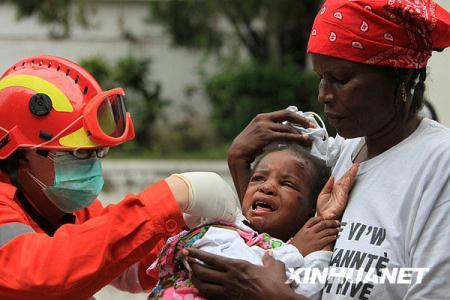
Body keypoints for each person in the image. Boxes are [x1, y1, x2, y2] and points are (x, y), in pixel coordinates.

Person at [184, 1, 450, 299]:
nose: (323, 95)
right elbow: (281, 243)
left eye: (340, 79)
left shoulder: (439, 165)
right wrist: (240, 161)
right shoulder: (342, 153)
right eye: (321, 78)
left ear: (402, 78)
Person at [0, 55, 241, 300]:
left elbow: (127, 267)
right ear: (22, 155)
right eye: (78, 153)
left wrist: (181, 229)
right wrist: (170, 196)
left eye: (97, 152)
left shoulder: (64, 206)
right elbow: (39, 274)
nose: (91, 165)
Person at [147, 142, 358, 300]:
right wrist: (296, 251)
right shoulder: (219, 232)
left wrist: (324, 232)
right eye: (258, 178)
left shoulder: (299, 248)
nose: (267, 187)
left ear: (310, 208)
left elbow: (308, 292)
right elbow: (233, 271)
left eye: (287, 184)